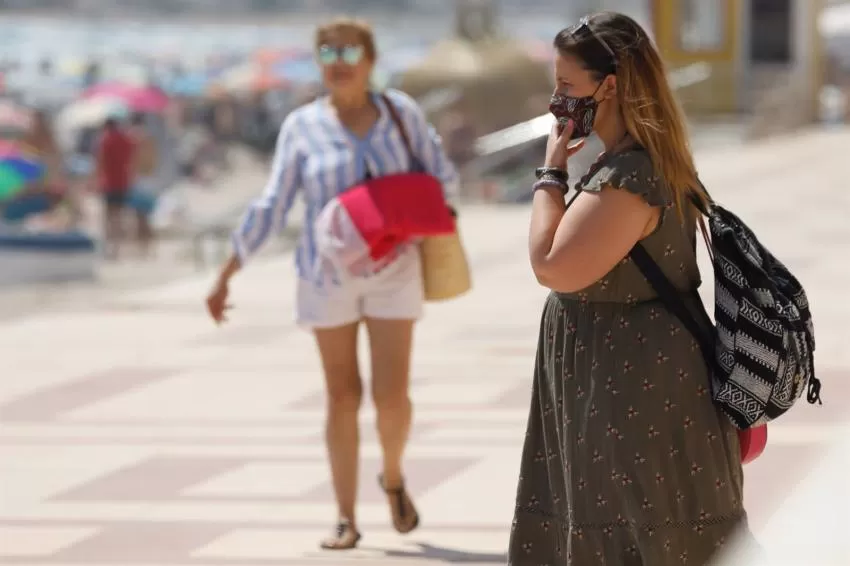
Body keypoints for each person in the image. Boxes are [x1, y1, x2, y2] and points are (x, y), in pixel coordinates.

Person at [204, 17, 459, 550]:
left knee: (392, 397)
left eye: (348, 51)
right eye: (327, 52)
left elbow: (443, 175)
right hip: (326, 275)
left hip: (394, 269)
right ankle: (345, 516)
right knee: (342, 396)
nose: (337, 61)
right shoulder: (301, 126)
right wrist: (228, 271)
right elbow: (273, 203)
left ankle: (393, 476)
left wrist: (406, 214)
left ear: (370, 60)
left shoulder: (401, 113)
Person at [510, 12, 749, 565]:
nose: (557, 101)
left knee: (641, 532)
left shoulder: (630, 176)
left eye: (567, 84)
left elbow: (552, 265)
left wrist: (551, 172)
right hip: (615, 380)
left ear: (610, 86)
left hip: (634, 386)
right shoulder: (627, 163)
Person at [95, 117, 135, 259]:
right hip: (123, 181)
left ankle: (108, 247)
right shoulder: (126, 140)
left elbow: (100, 162)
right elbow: (132, 160)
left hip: (109, 182)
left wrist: (95, 181)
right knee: (118, 216)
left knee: (108, 216)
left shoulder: (106, 140)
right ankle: (117, 248)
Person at [128, 112, 156, 256]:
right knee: (146, 216)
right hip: (148, 178)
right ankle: (148, 246)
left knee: (138, 216)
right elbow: (152, 160)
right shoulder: (148, 138)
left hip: (137, 178)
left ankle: (142, 247)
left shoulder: (131, 137)